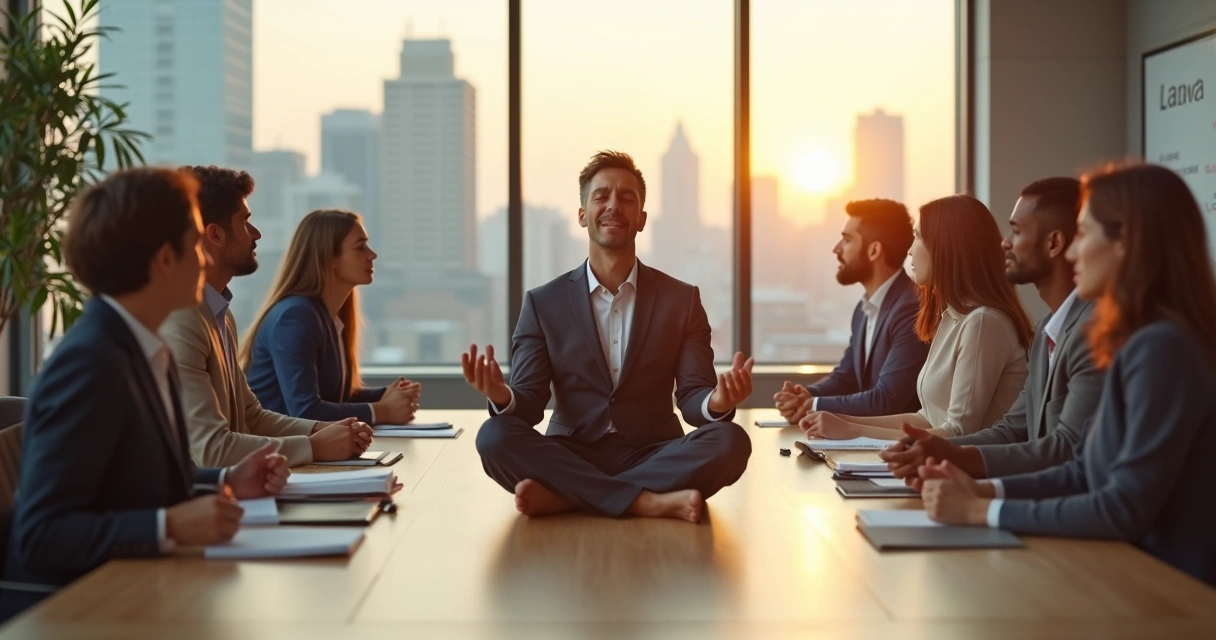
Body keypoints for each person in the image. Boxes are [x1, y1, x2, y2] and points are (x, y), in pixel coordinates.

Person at [1, 168, 290, 618]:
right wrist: (168, 524)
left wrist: (226, 481)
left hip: (143, 591)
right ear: (163, 260)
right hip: (85, 613)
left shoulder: (144, 348)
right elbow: (41, 535)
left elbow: (135, 484)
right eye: (195, 243)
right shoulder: (90, 363)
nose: (205, 258)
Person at [919, 164, 1216, 588]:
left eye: (1086, 235)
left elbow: (1121, 508)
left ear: (1127, 244)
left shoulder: (1164, 348)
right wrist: (982, 492)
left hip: (1170, 594)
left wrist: (978, 511)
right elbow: (1081, 471)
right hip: (1122, 576)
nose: (1073, 253)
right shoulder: (1135, 340)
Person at [465, 151, 753, 524]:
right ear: (583, 213)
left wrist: (717, 401)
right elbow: (530, 402)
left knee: (731, 441)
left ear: (642, 219)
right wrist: (502, 396)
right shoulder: (542, 303)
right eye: (601, 196)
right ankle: (646, 502)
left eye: (627, 198)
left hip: (654, 451)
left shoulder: (682, 300)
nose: (613, 205)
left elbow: (693, 395)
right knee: (493, 437)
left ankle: (568, 497)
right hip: (572, 451)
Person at [881, 178, 1104, 480]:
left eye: (1016, 230)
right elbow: (1013, 431)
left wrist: (982, 497)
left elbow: (1065, 451)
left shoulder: (1092, 334)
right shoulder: (1045, 331)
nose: (1005, 243)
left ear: (1053, 243)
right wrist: (937, 451)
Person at [162, 167, 373, 468]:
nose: (256, 234)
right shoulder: (182, 321)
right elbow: (211, 451)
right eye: (246, 223)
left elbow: (251, 417)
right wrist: (314, 446)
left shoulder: (219, 313)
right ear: (215, 234)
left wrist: (323, 430)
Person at [800, 194, 1033, 439]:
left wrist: (853, 430)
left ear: (945, 246)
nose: (909, 251)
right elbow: (926, 418)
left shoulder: (983, 322)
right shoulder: (950, 318)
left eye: (917, 237)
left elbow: (959, 432)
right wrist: (843, 421)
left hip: (967, 472)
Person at [241, 209, 420, 425]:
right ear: (329, 258)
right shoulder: (296, 316)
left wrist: (388, 396)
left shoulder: (327, 317)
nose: (372, 254)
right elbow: (305, 412)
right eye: (360, 247)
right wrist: (383, 411)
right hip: (277, 454)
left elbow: (334, 397)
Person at [774, 199, 927, 422]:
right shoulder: (864, 309)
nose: (836, 249)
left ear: (874, 250)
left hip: (899, 447)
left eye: (846, 240)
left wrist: (812, 405)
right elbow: (847, 377)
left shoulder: (911, 308)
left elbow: (887, 399)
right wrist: (807, 395)